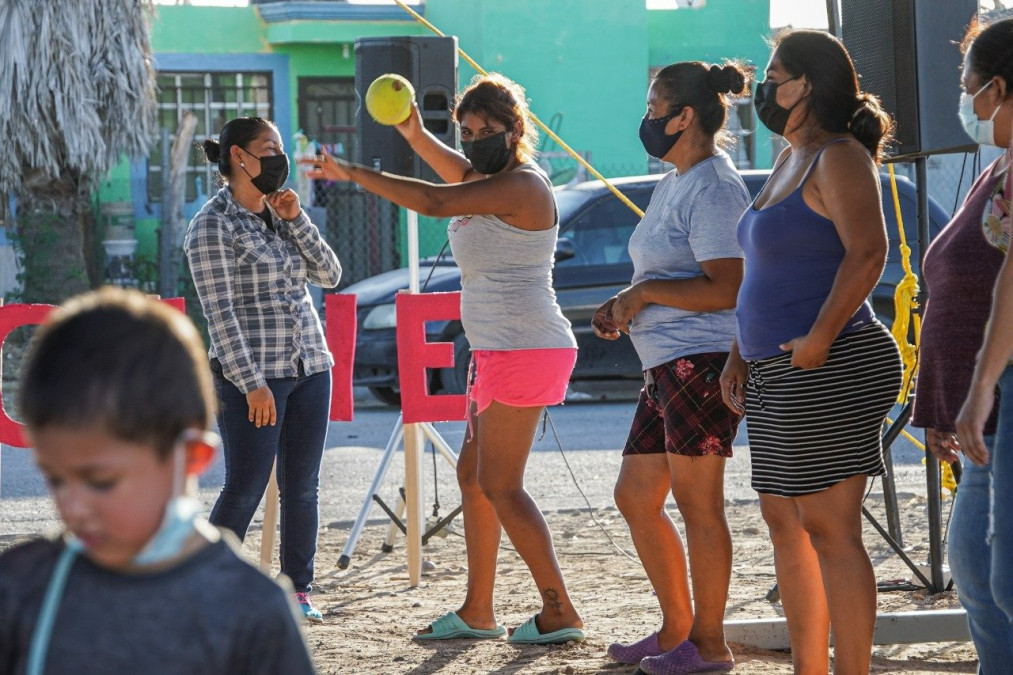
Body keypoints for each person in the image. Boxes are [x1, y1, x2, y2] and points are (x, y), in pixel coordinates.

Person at [304, 73, 584, 645]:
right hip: (496, 348)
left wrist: (350, 172)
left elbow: (434, 201)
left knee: (502, 484)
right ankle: (479, 610)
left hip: (526, 345)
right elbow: (443, 164)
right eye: (469, 130)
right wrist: (412, 128)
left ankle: (560, 611)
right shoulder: (483, 176)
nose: (477, 138)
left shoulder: (523, 185)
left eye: (489, 130)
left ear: (515, 131)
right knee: (472, 477)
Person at [0, 288, 315, 674]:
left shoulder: (251, 610)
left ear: (190, 458)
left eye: (100, 480)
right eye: (55, 478)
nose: (71, 507)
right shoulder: (21, 587)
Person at [719, 30, 903, 674]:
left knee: (829, 528)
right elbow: (765, 268)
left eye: (776, 76)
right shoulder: (789, 155)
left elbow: (869, 253)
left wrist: (821, 336)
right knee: (785, 526)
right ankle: (810, 667)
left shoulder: (840, 155)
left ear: (811, 85)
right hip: (776, 366)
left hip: (832, 361)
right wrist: (740, 352)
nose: (765, 89)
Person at [592, 61, 748, 674]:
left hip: (702, 362)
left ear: (685, 117)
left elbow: (728, 287)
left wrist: (646, 295)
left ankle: (709, 645)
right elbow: (663, 274)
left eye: (655, 107)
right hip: (665, 364)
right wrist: (628, 301)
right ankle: (677, 630)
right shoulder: (676, 179)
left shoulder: (714, 185)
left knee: (698, 503)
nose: (647, 118)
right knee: (636, 496)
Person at [184, 116, 342, 623]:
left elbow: (330, 275)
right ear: (238, 156)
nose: (279, 157)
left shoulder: (282, 213)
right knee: (246, 486)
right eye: (268, 147)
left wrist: (297, 219)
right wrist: (251, 384)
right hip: (254, 374)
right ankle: (203, 588)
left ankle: (298, 591)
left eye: (279, 147)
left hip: (311, 365)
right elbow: (220, 313)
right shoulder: (211, 225)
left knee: (303, 486)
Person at [943, 18, 1013, 673]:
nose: (961, 98)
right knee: (976, 569)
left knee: (1007, 576)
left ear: (994, 85)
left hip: (1000, 387)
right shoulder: (1000, 166)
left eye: (965, 81)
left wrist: (982, 382)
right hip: (989, 398)